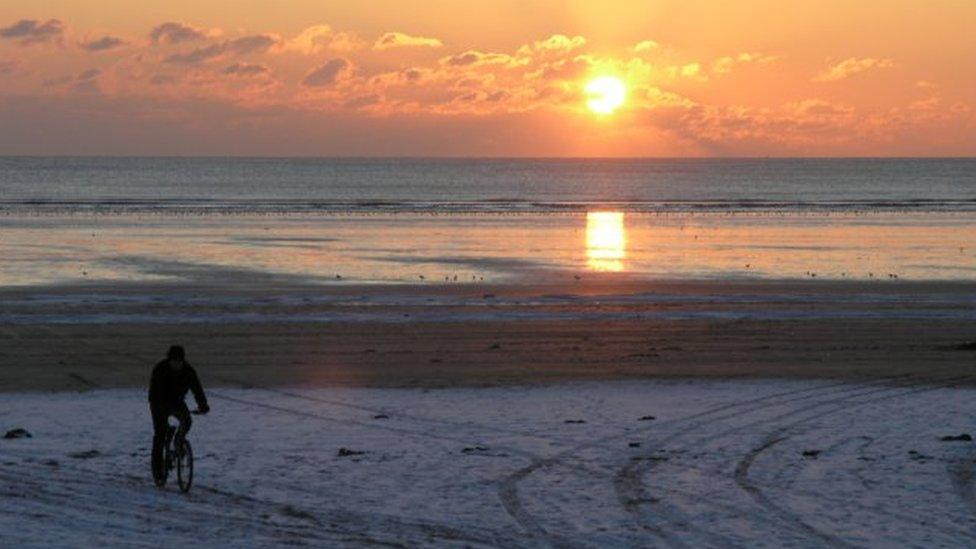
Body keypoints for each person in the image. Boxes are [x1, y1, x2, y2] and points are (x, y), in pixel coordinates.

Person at [149, 345, 209, 483]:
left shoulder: (188, 371)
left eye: (179, 361)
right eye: (174, 361)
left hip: (177, 401)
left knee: (187, 421)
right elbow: (157, 391)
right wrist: (164, 406)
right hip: (158, 402)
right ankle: (158, 471)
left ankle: (178, 441)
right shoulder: (160, 369)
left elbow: (197, 389)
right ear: (169, 360)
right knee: (160, 434)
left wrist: (203, 405)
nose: (177, 364)